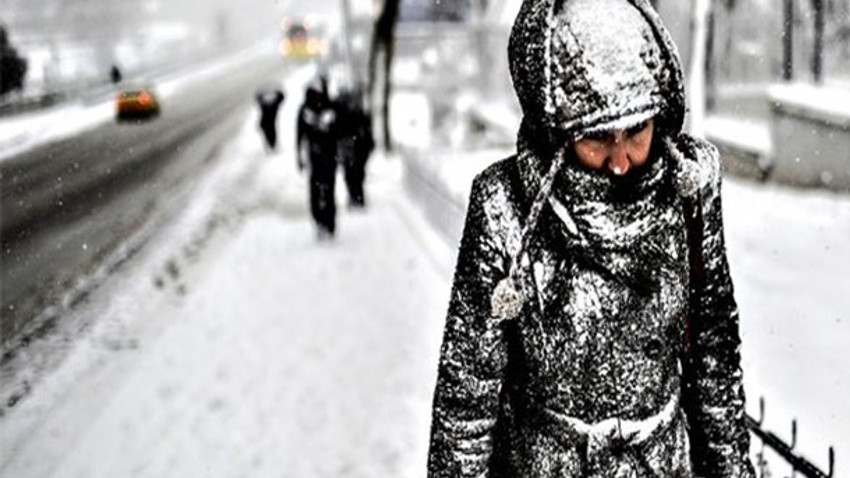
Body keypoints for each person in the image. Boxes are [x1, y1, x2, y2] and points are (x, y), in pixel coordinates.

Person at [426, 0, 755, 477]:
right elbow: (468, 394)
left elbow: (714, 355)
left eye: (637, 130)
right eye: (598, 136)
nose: (621, 160)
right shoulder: (505, 205)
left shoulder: (688, 193)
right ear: (555, 128)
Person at [296, 75, 339, 239]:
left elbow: (339, 131)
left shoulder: (332, 107)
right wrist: (299, 157)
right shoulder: (305, 110)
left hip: (330, 156)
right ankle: (319, 221)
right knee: (315, 191)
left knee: (329, 191)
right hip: (314, 157)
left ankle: (329, 223)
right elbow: (299, 135)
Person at [335, 83, 375, 208]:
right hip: (353, 146)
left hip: (356, 146)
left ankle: (356, 197)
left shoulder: (358, 114)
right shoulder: (349, 113)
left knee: (355, 172)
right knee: (353, 172)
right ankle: (356, 196)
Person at [255, 85, 285, 152]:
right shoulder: (274, 105)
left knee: (270, 129)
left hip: (266, 121)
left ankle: (271, 146)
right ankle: (271, 146)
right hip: (266, 121)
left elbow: (258, 98)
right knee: (270, 129)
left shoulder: (270, 105)